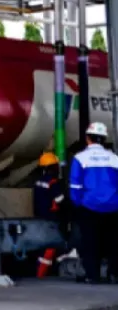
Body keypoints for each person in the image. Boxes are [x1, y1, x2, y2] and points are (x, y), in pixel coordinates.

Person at [69, 122, 118, 284]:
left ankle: (92, 275)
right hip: (113, 206)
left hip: (89, 206)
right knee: (113, 242)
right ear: (104, 139)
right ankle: (114, 274)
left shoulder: (80, 158)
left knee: (90, 242)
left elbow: (75, 186)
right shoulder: (114, 158)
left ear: (87, 138)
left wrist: (78, 204)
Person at [33, 152, 63, 221]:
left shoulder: (38, 181)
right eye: (56, 166)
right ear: (52, 167)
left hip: (38, 216)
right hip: (51, 217)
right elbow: (59, 200)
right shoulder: (52, 182)